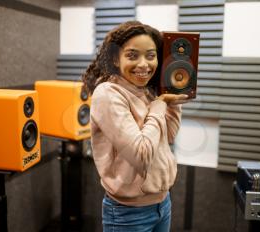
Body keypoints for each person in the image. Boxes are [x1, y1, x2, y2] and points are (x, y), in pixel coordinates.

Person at [82, 20, 192, 232]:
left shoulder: (146, 91)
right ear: (116, 58)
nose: (144, 64)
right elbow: (141, 154)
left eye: (150, 56)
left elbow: (168, 136)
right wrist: (159, 107)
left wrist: (172, 102)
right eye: (133, 55)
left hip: (162, 204)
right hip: (128, 214)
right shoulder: (108, 93)